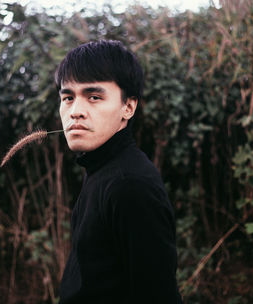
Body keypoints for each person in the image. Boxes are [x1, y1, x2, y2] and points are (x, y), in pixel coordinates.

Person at [55, 40, 182, 304]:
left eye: (94, 97)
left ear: (128, 107)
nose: (75, 112)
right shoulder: (99, 168)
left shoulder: (129, 185)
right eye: (68, 97)